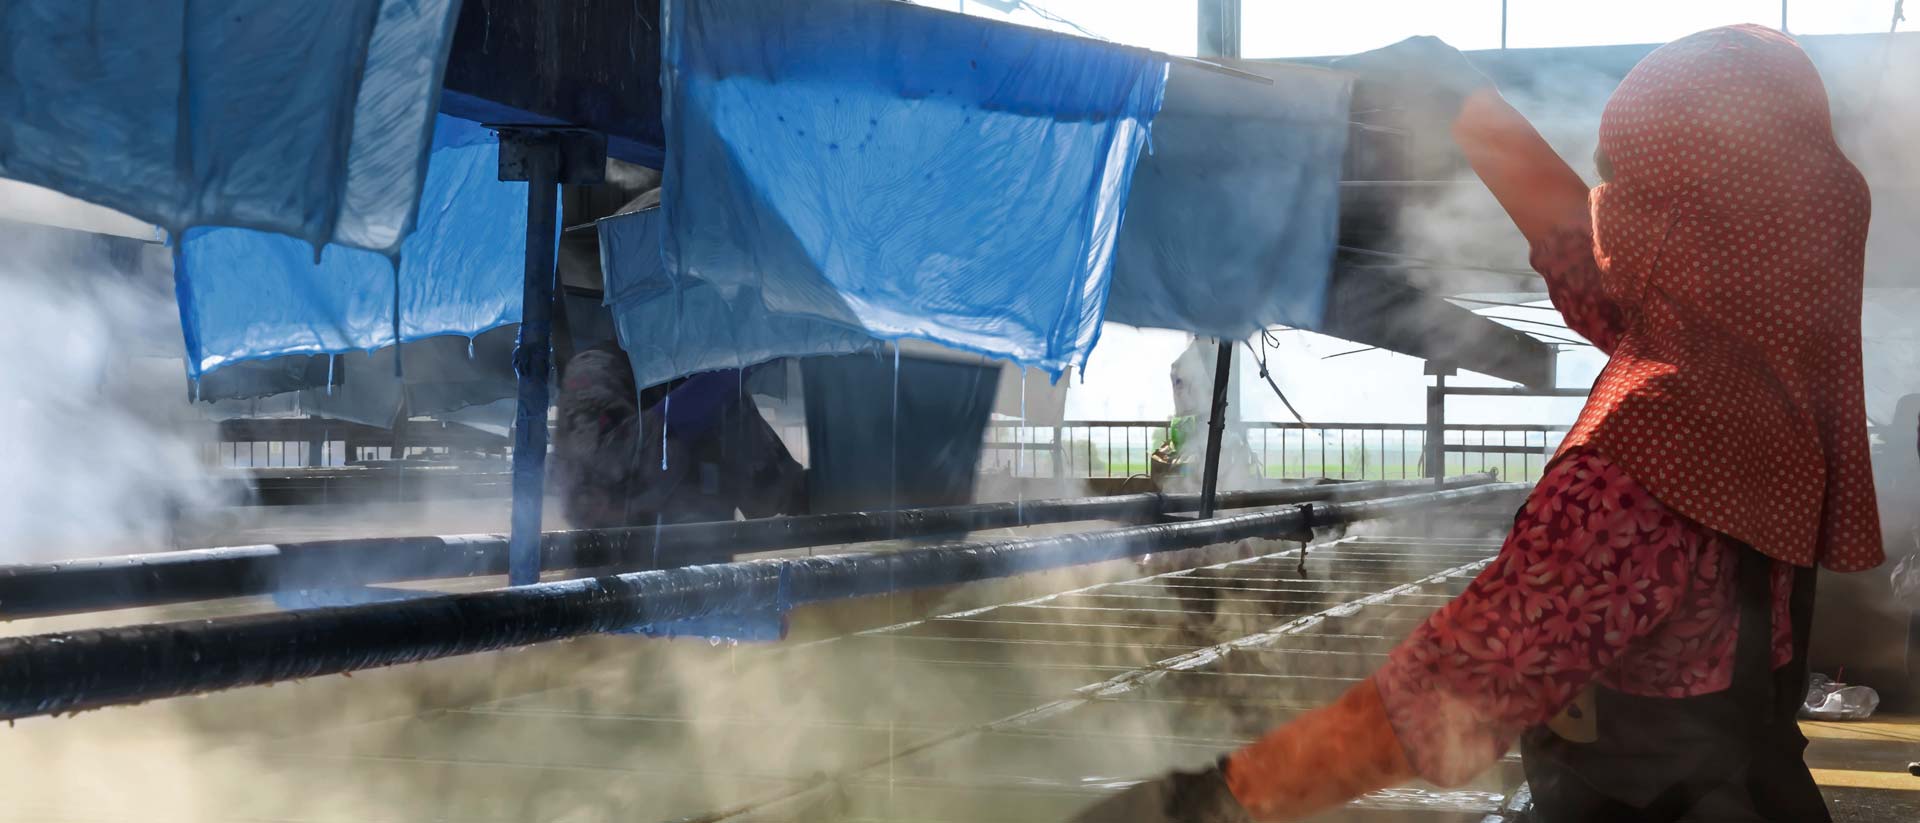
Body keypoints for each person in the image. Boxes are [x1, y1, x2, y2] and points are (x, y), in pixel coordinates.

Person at [1073, 25, 1881, 823]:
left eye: (1630, 187)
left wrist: (1217, 800)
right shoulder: (1764, 372)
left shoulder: (1651, 457)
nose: (1611, 208)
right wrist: (1468, 105)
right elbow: (1590, 260)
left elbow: (1459, 690)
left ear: (1681, 228)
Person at [551, 343, 806, 529]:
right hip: (615, 586)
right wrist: (694, 402)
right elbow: (608, 472)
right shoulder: (596, 368)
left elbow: (772, 489)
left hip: (710, 587)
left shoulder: (721, 388)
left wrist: (832, 488)